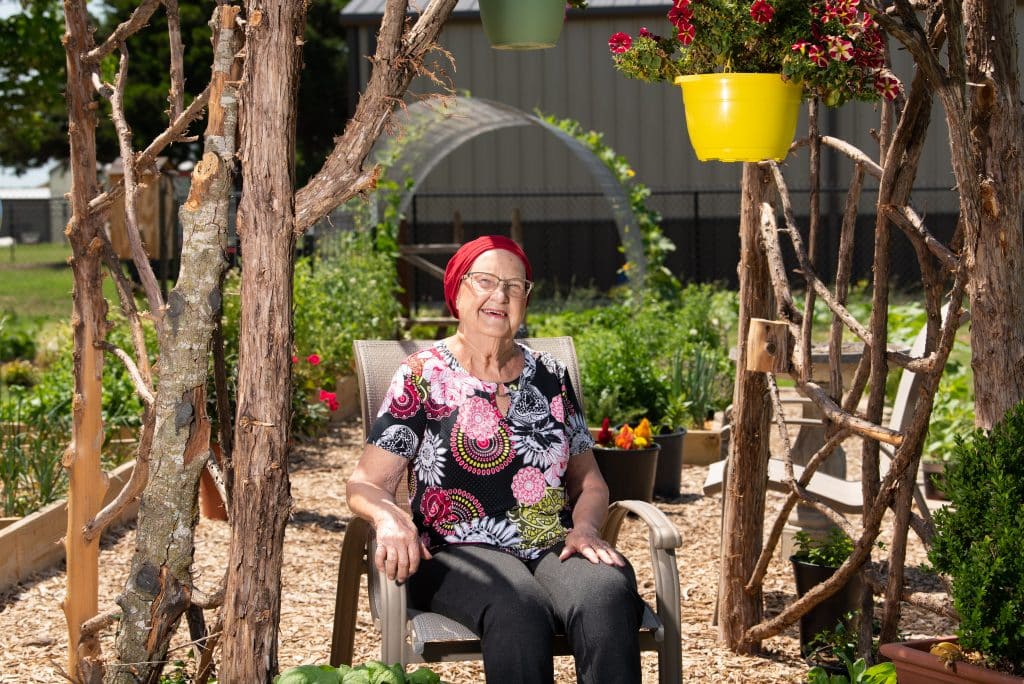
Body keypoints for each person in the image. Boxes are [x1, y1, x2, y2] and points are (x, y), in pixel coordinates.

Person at [346, 235, 645, 683]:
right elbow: (366, 483)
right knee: (517, 606)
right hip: (452, 552)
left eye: (515, 285)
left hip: (550, 544)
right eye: (484, 281)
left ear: (526, 299)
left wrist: (584, 528)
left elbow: (590, 483)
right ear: (457, 291)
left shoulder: (551, 376)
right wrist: (389, 520)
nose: (500, 295)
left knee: (607, 592)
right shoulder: (422, 375)